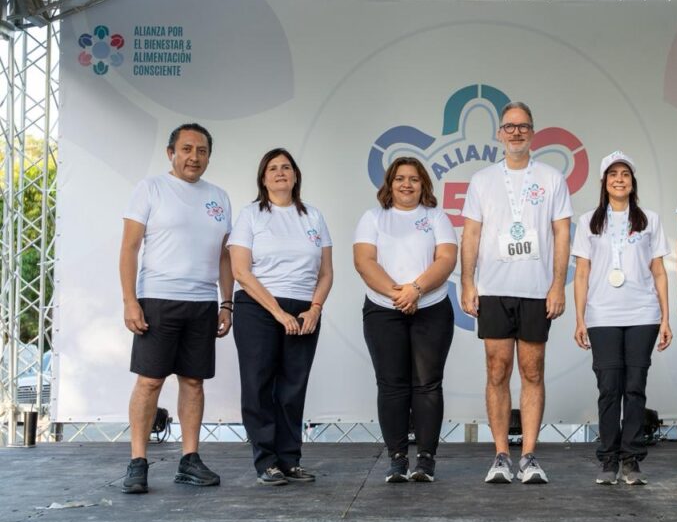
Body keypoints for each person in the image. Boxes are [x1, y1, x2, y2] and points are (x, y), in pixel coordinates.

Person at [460, 101, 573, 484]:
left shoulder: (551, 178)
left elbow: (562, 233)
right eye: (509, 126)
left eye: (523, 126)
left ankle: (528, 456)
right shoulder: (482, 180)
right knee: (497, 369)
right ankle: (500, 455)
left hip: (536, 290)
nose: (516, 132)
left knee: (532, 370)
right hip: (494, 288)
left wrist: (557, 285)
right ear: (499, 133)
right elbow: (471, 233)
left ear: (533, 132)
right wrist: (467, 282)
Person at [119, 123, 233, 494]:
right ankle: (138, 462)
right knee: (150, 381)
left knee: (194, 382)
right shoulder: (150, 188)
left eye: (201, 151)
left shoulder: (219, 197)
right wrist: (130, 300)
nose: (194, 157)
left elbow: (224, 256)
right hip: (157, 299)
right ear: (171, 153)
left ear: (209, 157)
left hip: (203, 303)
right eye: (186, 149)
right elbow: (129, 248)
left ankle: (190, 459)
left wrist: (227, 302)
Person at [228, 148, 334, 486]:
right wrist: (277, 312)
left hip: (303, 310)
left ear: (295, 175)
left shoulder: (313, 216)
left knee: (292, 387)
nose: (280, 173)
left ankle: (290, 460)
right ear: (263, 178)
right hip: (258, 308)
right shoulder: (251, 215)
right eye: (272, 168)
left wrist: (314, 309)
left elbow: (326, 273)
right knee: (258, 385)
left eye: (286, 167)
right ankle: (266, 462)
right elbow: (241, 271)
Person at [572, 151, 672, 486]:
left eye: (625, 174)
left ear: (632, 182)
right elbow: (582, 273)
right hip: (602, 314)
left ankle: (631, 459)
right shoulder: (589, 221)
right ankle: (608, 459)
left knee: (635, 387)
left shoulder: (649, 220)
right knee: (609, 388)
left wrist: (665, 318)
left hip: (643, 313)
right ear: (604, 182)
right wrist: (580, 318)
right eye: (613, 174)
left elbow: (659, 271)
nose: (619, 179)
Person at [354, 157, 457, 483]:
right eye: (400, 178)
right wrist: (398, 294)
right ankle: (397, 459)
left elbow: (446, 259)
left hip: (431, 308)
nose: (407, 184)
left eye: (413, 178)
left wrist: (416, 290)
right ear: (390, 183)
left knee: (428, 384)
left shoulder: (437, 217)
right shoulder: (373, 218)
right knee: (392, 385)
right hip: (383, 310)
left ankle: (425, 460)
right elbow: (364, 261)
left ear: (423, 183)